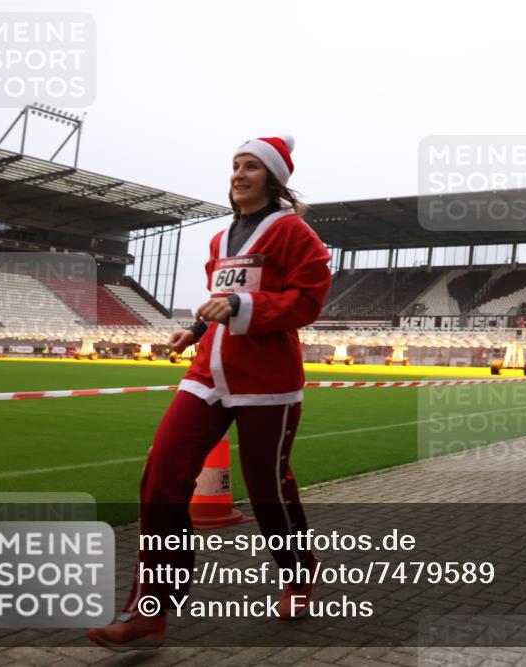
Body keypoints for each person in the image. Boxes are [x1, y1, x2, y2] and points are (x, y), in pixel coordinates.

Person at [89, 136, 332, 648]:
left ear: (274, 179)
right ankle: (149, 608)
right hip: (208, 374)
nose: (239, 174)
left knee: (266, 487)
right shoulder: (220, 241)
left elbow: (307, 302)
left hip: (267, 382)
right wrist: (196, 331)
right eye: (235, 166)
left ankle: (298, 569)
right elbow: (221, 300)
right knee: (160, 477)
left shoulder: (293, 232)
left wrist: (244, 307)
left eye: (251, 167)